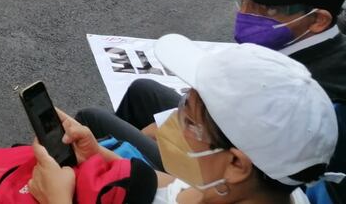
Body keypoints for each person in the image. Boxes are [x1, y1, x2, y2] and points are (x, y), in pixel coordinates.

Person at [76, 0, 346, 185]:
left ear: (319, 20)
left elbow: (272, 179)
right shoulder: (322, 43)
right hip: (228, 144)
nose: (245, 14)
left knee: (93, 120)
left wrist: (178, 130)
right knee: (142, 90)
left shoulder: (319, 97)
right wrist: (173, 122)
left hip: (233, 179)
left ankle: (98, 179)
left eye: (266, 8)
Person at [28, 35, 339, 204]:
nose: (174, 124)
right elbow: (175, 189)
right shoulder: (263, 190)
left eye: (189, 119)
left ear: (236, 164)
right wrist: (101, 156)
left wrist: (56, 199)